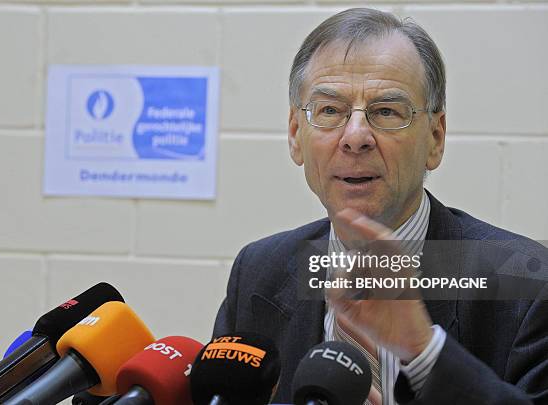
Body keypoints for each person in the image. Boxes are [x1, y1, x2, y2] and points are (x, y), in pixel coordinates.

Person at [213, 8, 548, 405]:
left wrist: (424, 352)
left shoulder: (527, 284)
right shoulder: (258, 272)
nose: (355, 137)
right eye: (330, 111)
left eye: (386, 112)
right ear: (295, 135)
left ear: (435, 139)